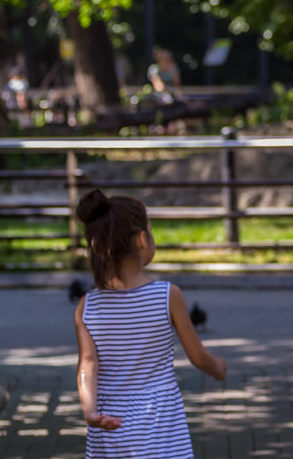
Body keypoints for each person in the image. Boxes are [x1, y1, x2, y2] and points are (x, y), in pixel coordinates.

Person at [74, 189, 227, 458]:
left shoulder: (87, 306)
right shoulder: (168, 296)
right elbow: (197, 356)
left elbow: (88, 364)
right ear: (143, 239)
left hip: (109, 421)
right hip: (159, 421)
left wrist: (90, 412)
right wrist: (217, 367)